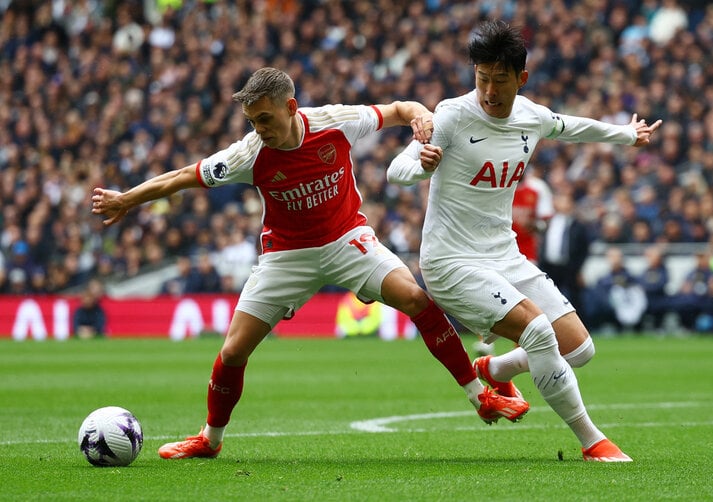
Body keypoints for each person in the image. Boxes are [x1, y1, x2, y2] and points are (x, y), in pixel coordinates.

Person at [91, 67, 522, 460]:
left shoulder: (334, 122)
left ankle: (478, 395)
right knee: (233, 350)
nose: (260, 130)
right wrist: (127, 198)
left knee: (414, 296)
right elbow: (185, 176)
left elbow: (396, 108)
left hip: (346, 239)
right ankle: (210, 439)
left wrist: (420, 116)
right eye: (253, 122)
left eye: (265, 119)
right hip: (287, 255)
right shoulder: (250, 153)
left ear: (291, 107)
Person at [388, 20, 662, 462]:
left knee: (579, 348)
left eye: (500, 81)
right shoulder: (453, 115)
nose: (490, 91)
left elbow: (572, 126)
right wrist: (420, 164)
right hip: (451, 261)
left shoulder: (530, 117)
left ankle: (495, 369)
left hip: (504, 255)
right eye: (482, 79)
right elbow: (395, 172)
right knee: (537, 330)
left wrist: (626, 135)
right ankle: (593, 442)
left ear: (522, 79)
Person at [538, 192, 591, 318]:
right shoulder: (549, 222)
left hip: (570, 268)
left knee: (573, 298)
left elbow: (584, 248)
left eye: (564, 200)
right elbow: (543, 244)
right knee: (549, 298)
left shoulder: (577, 225)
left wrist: (578, 268)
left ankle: (580, 328)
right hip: (550, 266)